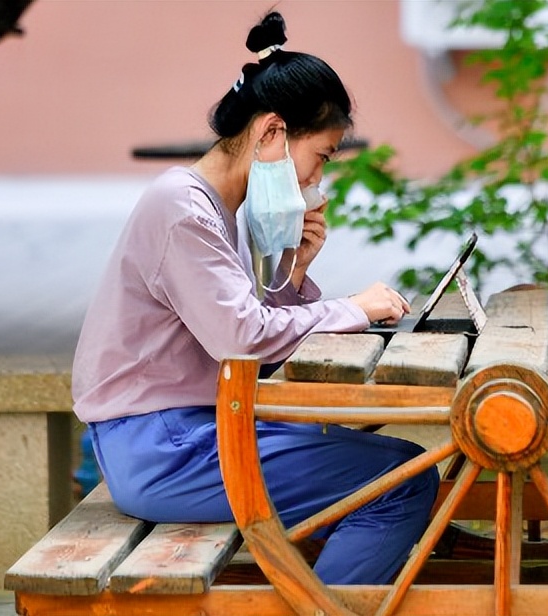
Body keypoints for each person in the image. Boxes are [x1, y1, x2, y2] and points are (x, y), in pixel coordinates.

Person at [71, 11, 437, 585]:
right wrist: (354, 309)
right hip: (164, 449)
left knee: (385, 463)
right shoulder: (183, 209)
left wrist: (291, 273)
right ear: (271, 132)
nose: (317, 181)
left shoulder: (216, 209)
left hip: (189, 431)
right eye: (321, 156)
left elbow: (250, 338)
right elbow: (240, 338)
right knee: (402, 480)